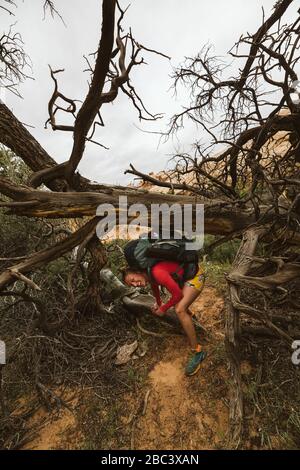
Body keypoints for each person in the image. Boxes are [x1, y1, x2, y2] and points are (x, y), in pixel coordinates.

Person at [123, 260, 206, 376]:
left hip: (196, 276)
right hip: (186, 278)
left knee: (179, 309)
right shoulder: (149, 273)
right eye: (132, 285)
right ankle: (192, 318)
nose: (135, 284)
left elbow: (177, 295)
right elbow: (154, 286)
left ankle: (198, 351)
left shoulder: (156, 272)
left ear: (137, 272)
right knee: (180, 305)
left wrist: (163, 309)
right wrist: (158, 302)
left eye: (133, 280)